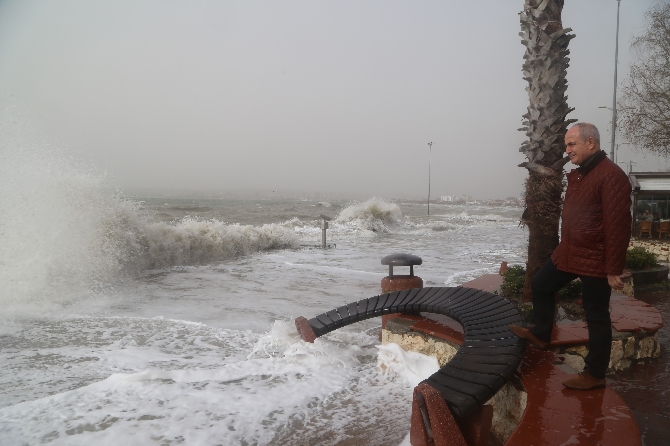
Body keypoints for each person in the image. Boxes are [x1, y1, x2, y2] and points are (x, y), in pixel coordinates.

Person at [510, 123, 632, 390]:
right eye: (566, 144)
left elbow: (618, 225)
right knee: (541, 285)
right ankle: (541, 334)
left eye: (572, 144)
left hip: (596, 257)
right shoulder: (584, 173)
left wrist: (613, 268)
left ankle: (595, 374)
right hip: (571, 250)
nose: (567, 150)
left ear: (591, 143)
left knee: (596, 314)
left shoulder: (611, 176)